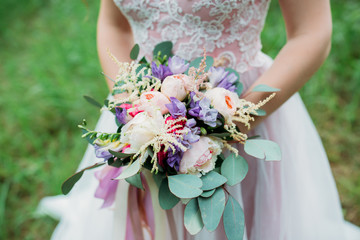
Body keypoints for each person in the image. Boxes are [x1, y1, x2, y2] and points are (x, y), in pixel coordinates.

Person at [38, 0, 360, 239]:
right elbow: (113, 24)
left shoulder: (239, 120)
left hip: (241, 115)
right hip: (144, 125)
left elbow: (312, 32)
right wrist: (134, 109)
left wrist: (235, 122)